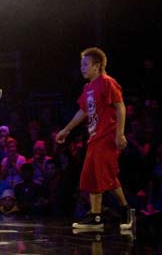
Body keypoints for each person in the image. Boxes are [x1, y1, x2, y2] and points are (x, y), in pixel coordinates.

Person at [55, 47, 133, 230]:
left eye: (85, 64)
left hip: (107, 136)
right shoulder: (88, 87)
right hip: (94, 138)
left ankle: (126, 210)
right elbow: (82, 111)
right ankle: (96, 217)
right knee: (91, 177)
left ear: (97, 66)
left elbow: (120, 106)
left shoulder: (107, 82)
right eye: (81, 64)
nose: (82, 68)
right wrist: (66, 130)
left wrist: (119, 133)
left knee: (107, 175)